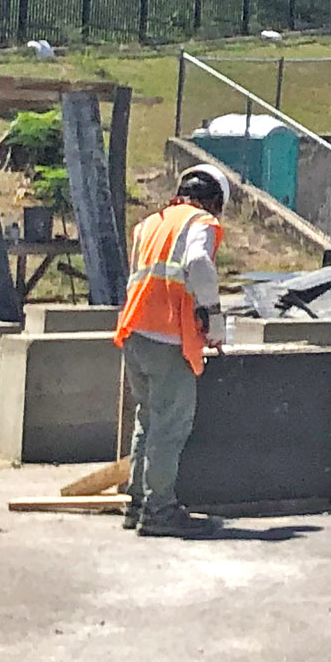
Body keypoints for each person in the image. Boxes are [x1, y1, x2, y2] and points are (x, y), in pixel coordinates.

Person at [112, 167, 227, 537]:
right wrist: (213, 317)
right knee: (169, 427)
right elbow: (198, 263)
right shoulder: (201, 222)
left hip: (134, 332)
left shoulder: (149, 225)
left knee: (147, 420)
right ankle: (160, 511)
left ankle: (137, 504)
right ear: (214, 201)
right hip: (168, 337)